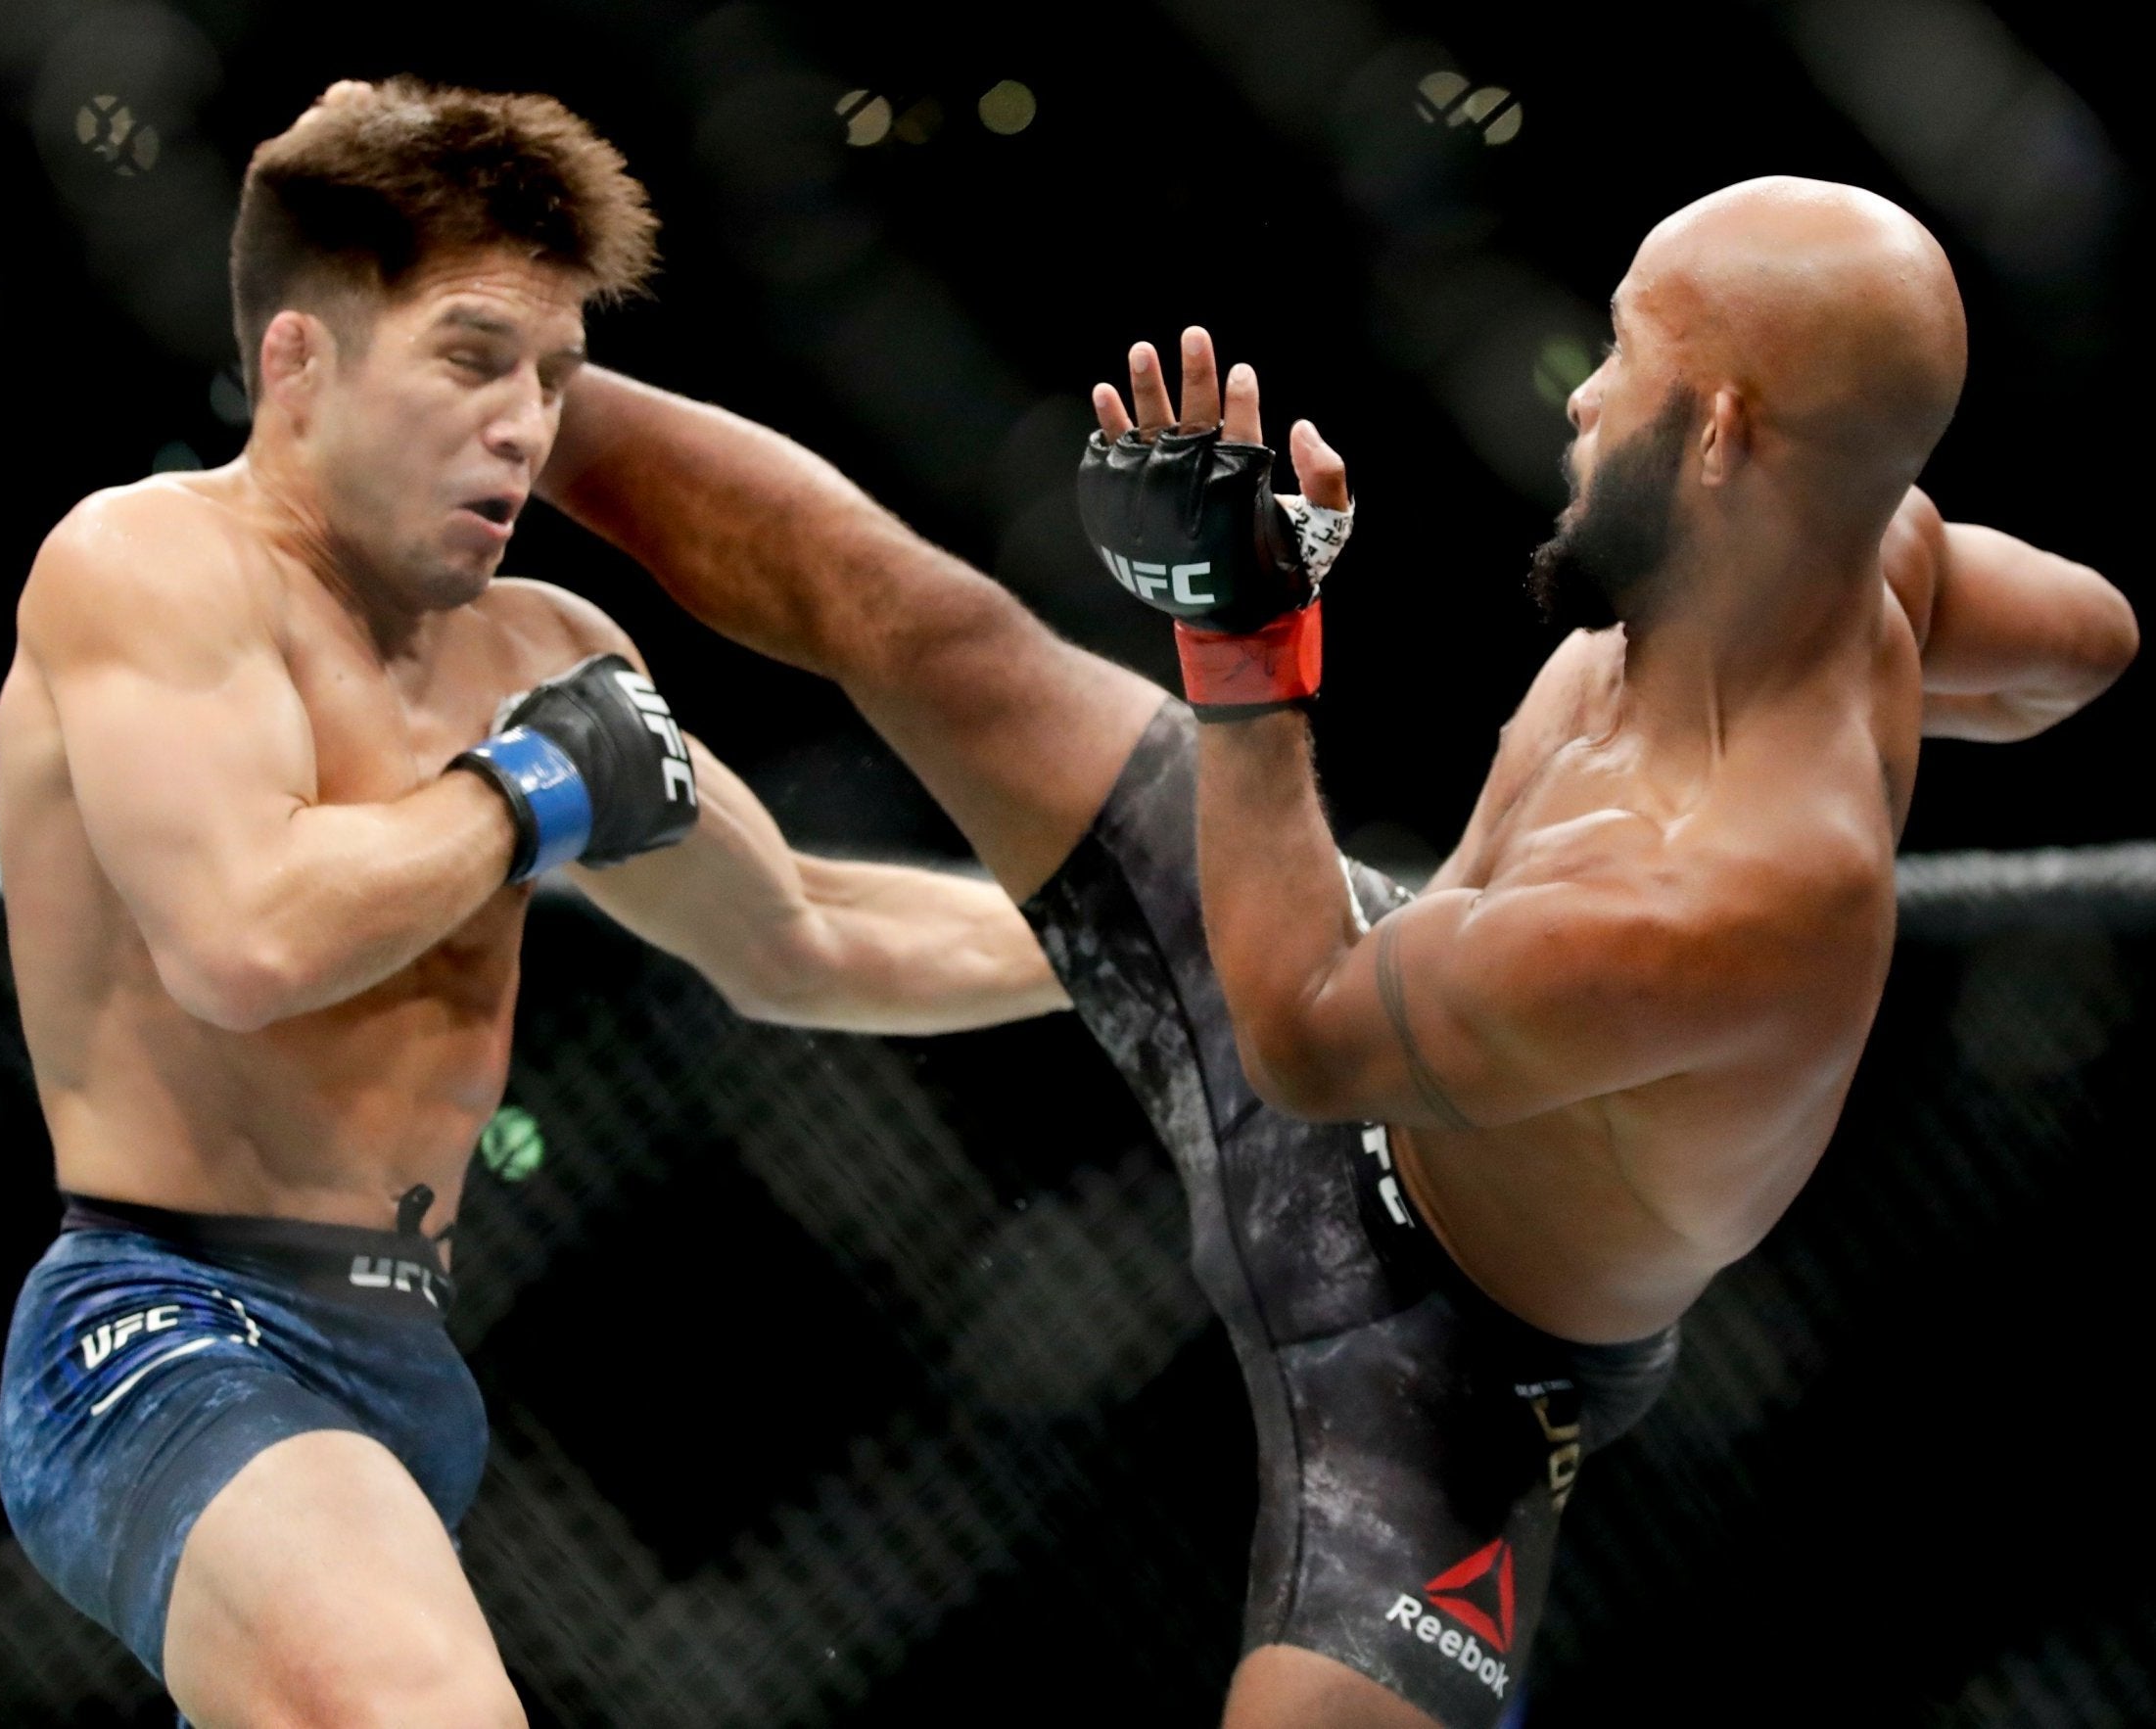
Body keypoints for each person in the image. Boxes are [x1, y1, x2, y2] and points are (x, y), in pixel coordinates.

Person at [535, 176, 2137, 1727]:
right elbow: (2087, 649)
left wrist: (1242, 643)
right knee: (917, 616)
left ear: (1719, 433)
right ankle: (501, 395)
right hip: (1378, 964)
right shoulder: (1877, 569)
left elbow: (1296, 1033)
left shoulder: (1725, 896)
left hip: (1446, 1365)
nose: (1579, 399)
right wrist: (1866, 675)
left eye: (1625, 354)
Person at [0, 78, 1065, 1727]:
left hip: (412, 1361)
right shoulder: (146, 564)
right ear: (300, 362)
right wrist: (528, 793)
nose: (525, 425)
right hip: (162, 1324)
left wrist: (1190, 949)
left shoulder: (553, 656)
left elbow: (805, 935)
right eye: (472, 357)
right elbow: (244, 938)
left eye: (554, 377)